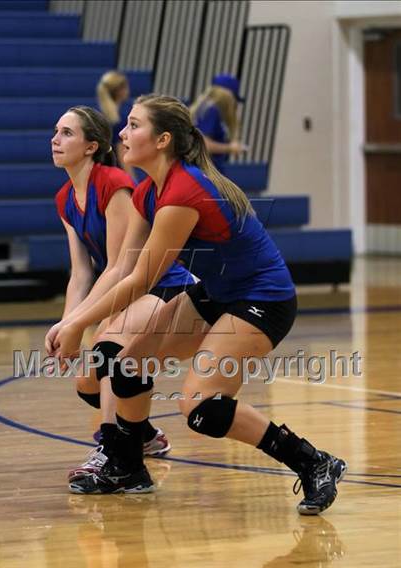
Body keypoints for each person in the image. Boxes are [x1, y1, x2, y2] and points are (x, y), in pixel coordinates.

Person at [53, 95, 347, 514]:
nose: (122, 132)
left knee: (201, 408)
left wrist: (73, 326)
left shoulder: (182, 192)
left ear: (163, 140)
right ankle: (127, 467)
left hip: (262, 298)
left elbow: (140, 280)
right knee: (125, 363)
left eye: (134, 125)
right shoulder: (147, 192)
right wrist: (73, 323)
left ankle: (314, 463)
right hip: (219, 292)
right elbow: (120, 270)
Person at [48, 105, 195, 482]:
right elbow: (80, 273)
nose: (55, 140)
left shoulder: (113, 183)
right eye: (56, 132)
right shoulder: (65, 198)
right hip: (123, 287)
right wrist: (66, 325)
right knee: (86, 382)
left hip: (161, 283)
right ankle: (144, 436)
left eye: (67, 133)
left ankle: (113, 449)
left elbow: (120, 266)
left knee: (109, 353)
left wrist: (80, 325)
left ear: (91, 147)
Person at [190, 74, 248, 172]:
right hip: (204, 170)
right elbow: (204, 145)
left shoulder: (206, 108)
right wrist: (230, 148)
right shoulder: (212, 110)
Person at [96, 70, 135, 179]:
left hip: (101, 171)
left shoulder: (99, 116)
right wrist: (133, 181)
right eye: (126, 87)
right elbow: (122, 154)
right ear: (119, 91)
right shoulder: (120, 119)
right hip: (115, 173)